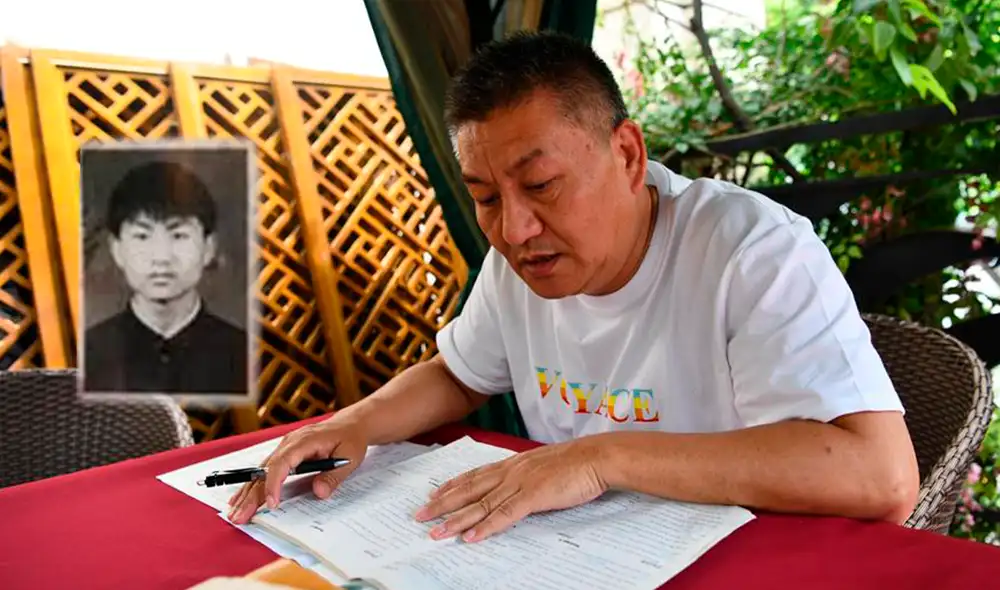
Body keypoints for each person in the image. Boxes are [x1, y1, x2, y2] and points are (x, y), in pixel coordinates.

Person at [228, 31, 919, 542]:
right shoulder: (516, 264)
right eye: (485, 196)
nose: (515, 229)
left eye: (540, 185)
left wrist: (600, 458)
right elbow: (459, 374)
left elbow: (880, 479)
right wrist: (349, 427)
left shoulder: (748, 248)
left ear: (626, 154)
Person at [83, 159, 248, 395]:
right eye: (142, 236)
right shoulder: (89, 354)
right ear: (116, 249)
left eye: (179, 235)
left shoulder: (243, 353)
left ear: (208, 247)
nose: (161, 257)